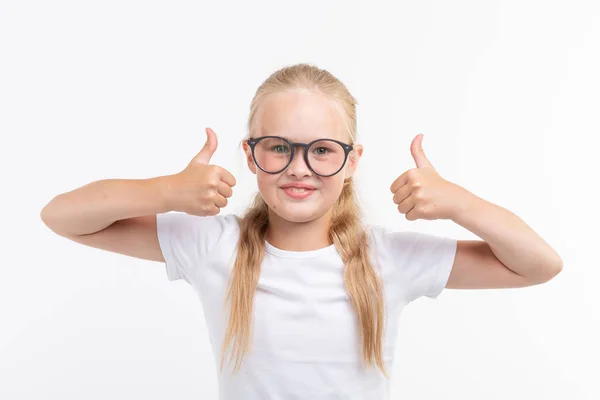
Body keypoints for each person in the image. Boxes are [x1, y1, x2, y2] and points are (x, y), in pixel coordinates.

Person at [40, 63, 563, 400]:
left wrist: (459, 202)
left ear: (352, 161)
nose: (299, 168)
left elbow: (539, 264)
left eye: (322, 150)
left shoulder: (389, 258)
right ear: (249, 154)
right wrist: (167, 192)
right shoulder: (209, 245)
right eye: (278, 147)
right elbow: (63, 217)